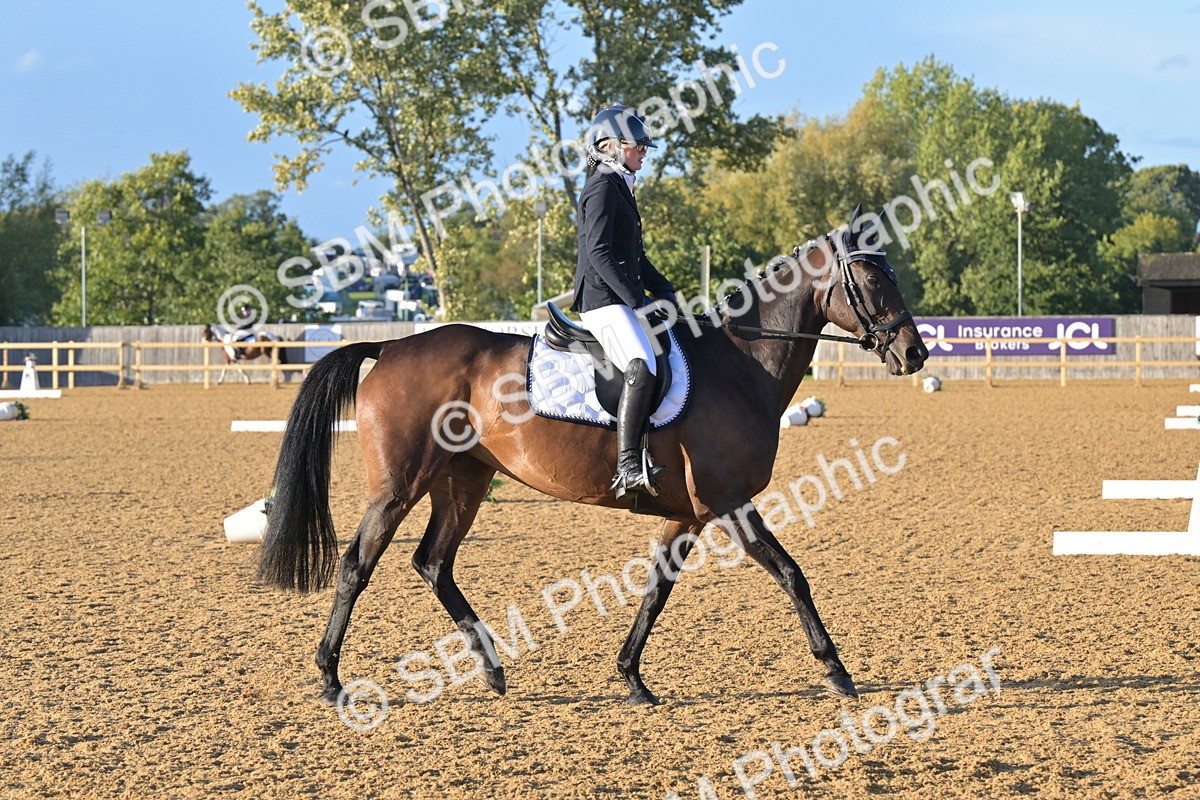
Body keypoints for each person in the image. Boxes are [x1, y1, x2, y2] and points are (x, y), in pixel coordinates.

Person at [571, 105, 678, 499]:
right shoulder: (600, 187)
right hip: (602, 301)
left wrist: (665, 289)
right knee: (642, 363)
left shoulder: (619, 186)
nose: (644, 152)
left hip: (619, 297)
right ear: (610, 146)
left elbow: (635, 259)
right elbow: (599, 254)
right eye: (638, 146)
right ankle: (628, 464)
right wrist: (639, 302)